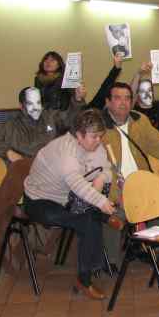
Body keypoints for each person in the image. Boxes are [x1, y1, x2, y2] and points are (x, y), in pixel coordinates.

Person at [23, 109, 118, 300]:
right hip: (39, 200)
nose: (99, 141)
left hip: (66, 197)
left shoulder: (93, 145)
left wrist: (101, 177)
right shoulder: (66, 151)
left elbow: (108, 168)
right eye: (94, 137)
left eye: (101, 136)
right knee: (87, 221)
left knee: (89, 215)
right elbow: (76, 182)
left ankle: (92, 267)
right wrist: (100, 201)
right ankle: (84, 280)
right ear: (79, 135)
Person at [100, 82, 159, 264]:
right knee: (112, 217)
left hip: (141, 183)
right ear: (107, 102)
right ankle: (112, 261)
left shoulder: (139, 120)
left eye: (127, 98)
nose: (123, 102)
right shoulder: (99, 126)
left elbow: (156, 143)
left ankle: (153, 249)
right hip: (114, 188)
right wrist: (115, 193)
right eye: (117, 98)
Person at [0, 86, 85, 164]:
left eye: (38, 103)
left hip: (51, 169)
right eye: (30, 103)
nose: (36, 108)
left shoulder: (50, 117)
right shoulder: (10, 126)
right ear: (21, 106)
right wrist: (8, 152)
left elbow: (69, 120)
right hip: (24, 172)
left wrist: (77, 100)